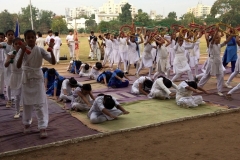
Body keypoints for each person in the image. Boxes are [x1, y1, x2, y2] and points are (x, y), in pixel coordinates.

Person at [17, 29, 56, 138]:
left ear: (35, 38)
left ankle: (42, 126)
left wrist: (51, 50)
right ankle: (26, 124)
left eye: (32, 37)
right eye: (28, 38)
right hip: (27, 78)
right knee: (27, 103)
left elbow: (53, 62)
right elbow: (18, 65)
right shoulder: (22, 50)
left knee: (40, 103)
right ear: (25, 39)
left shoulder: (40, 50)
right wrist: (22, 51)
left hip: (37, 78)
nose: (30, 39)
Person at [198, 28, 233, 96]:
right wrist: (216, 31)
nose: (219, 39)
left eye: (219, 38)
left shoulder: (219, 45)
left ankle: (219, 90)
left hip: (218, 62)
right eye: (217, 38)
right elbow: (213, 39)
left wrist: (232, 34)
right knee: (207, 75)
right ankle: (199, 86)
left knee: (221, 76)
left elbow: (226, 41)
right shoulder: (211, 45)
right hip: (211, 63)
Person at [5, 38, 23, 118]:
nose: (18, 45)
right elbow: (6, 65)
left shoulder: (24, 53)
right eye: (16, 44)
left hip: (23, 75)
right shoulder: (10, 53)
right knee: (16, 95)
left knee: (24, 94)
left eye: (20, 43)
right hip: (15, 75)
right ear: (13, 45)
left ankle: (26, 113)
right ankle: (17, 111)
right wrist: (10, 59)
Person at [0, 30, 15, 107]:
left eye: (12, 34)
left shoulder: (15, 44)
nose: (11, 36)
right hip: (7, 65)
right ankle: (9, 99)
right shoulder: (4, 44)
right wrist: (3, 46)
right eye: (9, 34)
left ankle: (14, 98)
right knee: (8, 83)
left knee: (15, 83)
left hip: (15, 66)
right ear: (6, 36)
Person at [0, 32, 5, 100]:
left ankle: (1, 93)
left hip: (3, 64)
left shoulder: (5, 46)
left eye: (2, 37)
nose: (0, 38)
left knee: (2, 79)